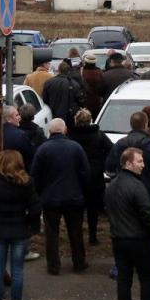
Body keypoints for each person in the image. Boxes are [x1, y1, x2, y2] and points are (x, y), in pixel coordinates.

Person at [106, 111, 150, 278]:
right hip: (149, 195)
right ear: (146, 125)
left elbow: (108, 169)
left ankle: (119, 267)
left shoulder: (120, 145)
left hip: (122, 197)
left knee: (121, 232)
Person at [0, 149, 40, 300]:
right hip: (20, 229)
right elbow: (35, 209)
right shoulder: (27, 183)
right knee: (17, 270)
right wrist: (29, 223)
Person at [31, 118, 89, 275]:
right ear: (65, 130)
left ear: (49, 131)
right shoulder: (76, 148)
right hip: (74, 197)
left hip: (50, 198)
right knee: (76, 232)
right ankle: (79, 261)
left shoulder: (43, 149)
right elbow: (85, 172)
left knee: (52, 234)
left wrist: (40, 193)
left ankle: (53, 265)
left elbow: (35, 175)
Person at [106, 147, 150, 300]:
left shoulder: (111, 186)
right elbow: (146, 214)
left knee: (123, 278)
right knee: (146, 279)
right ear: (128, 163)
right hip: (139, 240)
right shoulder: (137, 186)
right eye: (139, 161)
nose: (143, 165)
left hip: (118, 239)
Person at [70, 109, 114, 245]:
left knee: (76, 209)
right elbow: (110, 149)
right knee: (92, 208)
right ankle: (92, 235)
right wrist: (102, 162)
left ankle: (76, 235)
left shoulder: (72, 136)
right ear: (90, 120)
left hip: (76, 175)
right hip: (94, 175)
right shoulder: (98, 135)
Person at [2, 105, 35, 170]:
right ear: (8, 119)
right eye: (17, 115)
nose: (20, 117)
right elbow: (30, 155)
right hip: (16, 172)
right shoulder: (20, 135)